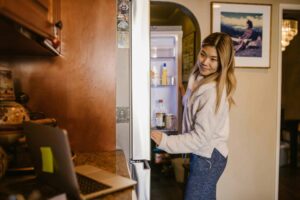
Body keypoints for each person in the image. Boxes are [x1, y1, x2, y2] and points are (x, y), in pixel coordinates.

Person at [151, 32, 237, 200]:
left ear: (223, 63)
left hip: (209, 157)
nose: (205, 62)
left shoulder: (212, 93)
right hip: (204, 153)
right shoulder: (199, 78)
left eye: (213, 59)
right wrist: (184, 95)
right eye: (203, 54)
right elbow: (196, 109)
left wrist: (166, 141)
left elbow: (199, 138)